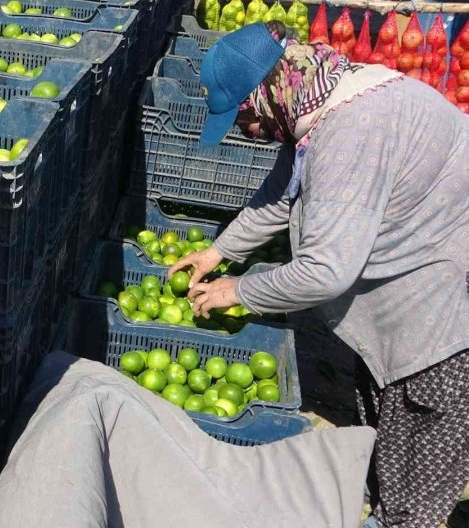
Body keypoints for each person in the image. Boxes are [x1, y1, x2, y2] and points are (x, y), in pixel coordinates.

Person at [167, 22, 469, 528]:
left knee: (421, 429)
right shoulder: (315, 102)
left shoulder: (351, 133)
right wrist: (216, 254)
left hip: (442, 301)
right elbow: (281, 196)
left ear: (265, 95)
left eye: (244, 119)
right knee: (387, 421)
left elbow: (326, 272)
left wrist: (239, 290)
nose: (248, 132)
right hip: (408, 277)